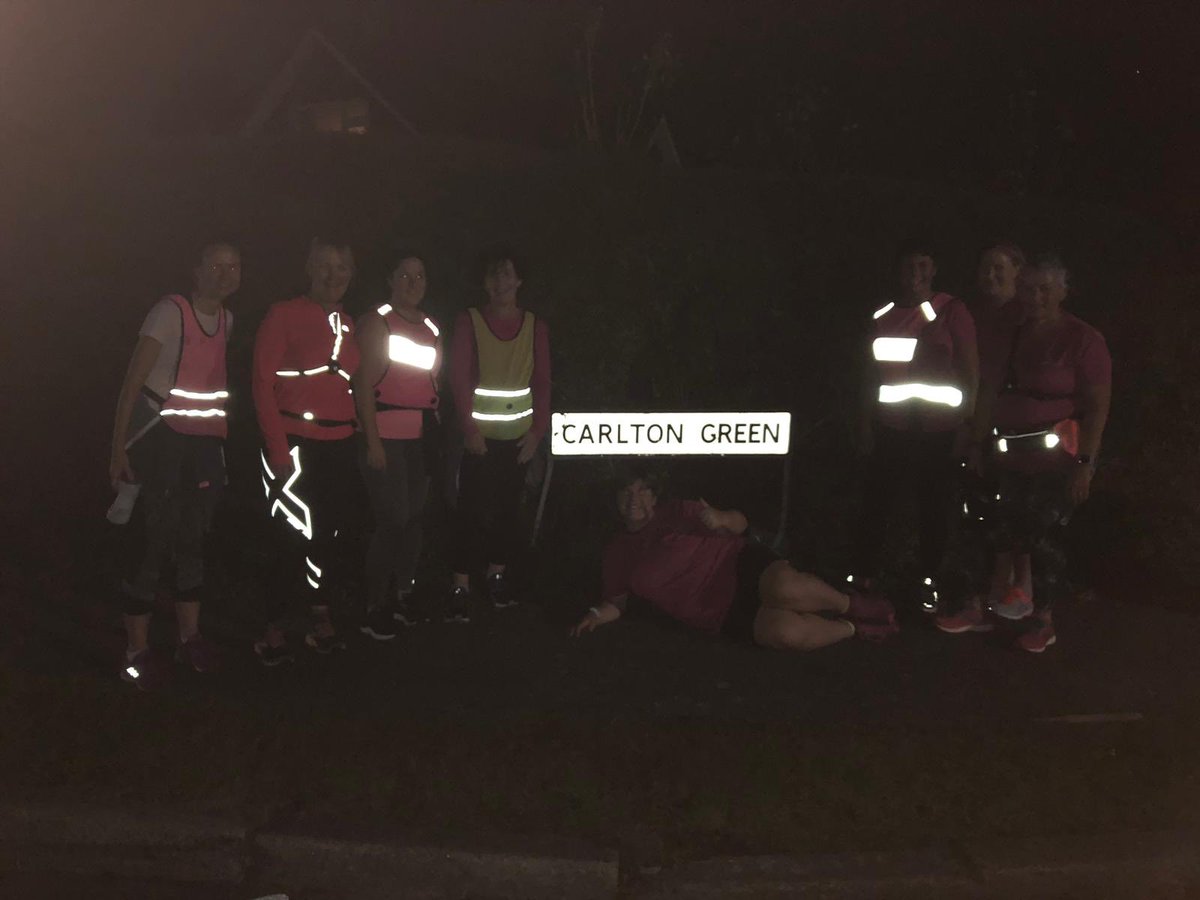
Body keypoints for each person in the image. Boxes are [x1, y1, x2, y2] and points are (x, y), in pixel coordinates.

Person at [943, 254, 1111, 651]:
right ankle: (989, 604)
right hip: (1006, 453)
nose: (1034, 297)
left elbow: (1098, 407)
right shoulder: (1009, 332)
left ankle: (1043, 619)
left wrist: (1085, 464)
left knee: (1042, 536)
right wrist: (976, 442)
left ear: (1062, 293)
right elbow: (990, 390)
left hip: (1054, 458)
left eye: (1044, 290)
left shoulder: (1083, 339)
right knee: (995, 528)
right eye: (1028, 289)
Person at [108, 242, 240, 688]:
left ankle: (190, 638)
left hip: (202, 449)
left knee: (192, 542)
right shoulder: (169, 312)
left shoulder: (227, 320)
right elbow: (132, 383)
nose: (224, 275)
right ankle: (137, 649)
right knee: (151, 541)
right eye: (216, 266)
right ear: (196, 270)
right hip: (160, 442)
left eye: (233, 267)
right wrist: (118, 449)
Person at [571, 471, 897, 649]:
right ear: (615, 500)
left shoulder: (679, 511)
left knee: (784, 588)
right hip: (715, 611)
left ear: (654, 496)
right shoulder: (617, 552)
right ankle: (853, 629)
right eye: (626, 493)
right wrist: (596, 615)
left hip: (738, 565)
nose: (634, 500)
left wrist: (721, 518)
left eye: (642, 491)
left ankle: (852, 605)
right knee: (783, 632)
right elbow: (618, 600)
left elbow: (740, 523)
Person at [849, 241, 979, 614]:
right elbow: (868, 377)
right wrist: (864, 424)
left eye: (923, 265)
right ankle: (864, 578)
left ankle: (929, 580)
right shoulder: (881, 315)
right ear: (897, 270)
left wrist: (968, 428)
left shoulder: (952, 311)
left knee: (933, 509)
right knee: (876, 505)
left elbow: (972, 373)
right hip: (890, 427)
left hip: (939, 430)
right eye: (909, 266)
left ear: (934, 269)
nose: (915, 274)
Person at [252, 237, 361, 663]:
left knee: (329, 535)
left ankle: (320, 616)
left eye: (343, 268)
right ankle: (275, 626)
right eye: (326, 266)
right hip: (293, 442)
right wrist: (278, 451)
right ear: (311, 269)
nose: (334, 275)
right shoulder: (283, 314)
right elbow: (262, 384)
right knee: (287, 535)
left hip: (339, 446)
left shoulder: (347, 324)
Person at [446, 247, 550, 621]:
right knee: (470, 512)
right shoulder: (469, 321)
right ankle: (460, 584)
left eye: (507, 274)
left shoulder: (535, 325)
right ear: (485, 282)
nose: (501, 282)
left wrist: (538, 432)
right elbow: (458, 377)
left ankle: (496, 575)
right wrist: (470, 430)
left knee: (508, 511)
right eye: (494, 275)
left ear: (519, 280)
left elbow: (541, 380)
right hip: (479, 440)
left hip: (519, 439)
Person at [935, 242, 1025, 634]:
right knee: (976, 513)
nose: (990, 276)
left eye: (999, 268)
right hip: (977, 427)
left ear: (1018, 271)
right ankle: (977, 600)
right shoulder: (968, 314)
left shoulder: (1028, 316)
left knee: (1017, 520)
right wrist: (969, 430)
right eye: (985, 268)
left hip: (1022, 432)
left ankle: (1013, 601)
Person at [352, 250, 442, 639]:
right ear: (390, 280)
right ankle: (375, 604)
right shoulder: (377, 322)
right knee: (393, 521)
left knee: (413, 524)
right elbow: (363, 386)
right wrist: (373, 442)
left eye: (420, 276)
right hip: (385, 438)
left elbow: (431, 386)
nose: (414, 283)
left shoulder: (432, 328)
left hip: (419, 441)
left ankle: (404, 594)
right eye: (405, 276)